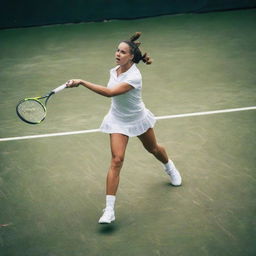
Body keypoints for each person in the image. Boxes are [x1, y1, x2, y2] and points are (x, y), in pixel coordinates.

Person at [66, 32, 182, 224]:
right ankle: (109, 210)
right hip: (117, 121)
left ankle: (169, 166)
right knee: (117, 160)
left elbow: (111, 93)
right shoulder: (115, 70)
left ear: (131, 57)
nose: (118, 54)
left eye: (122, 52)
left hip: (137, 119)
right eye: (117, 50)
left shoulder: (135, 76)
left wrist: (82, 81)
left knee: (153, 149)